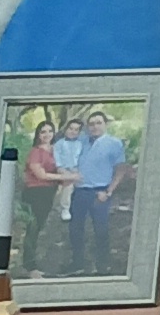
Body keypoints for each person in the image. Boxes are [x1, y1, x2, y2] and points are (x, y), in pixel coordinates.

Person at [69, 110, 132, 277]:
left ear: (105, 124)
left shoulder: (114, 143)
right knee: (75, 229)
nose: (95, 126)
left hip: (100, 192)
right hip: (80, 191)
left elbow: (120, 169)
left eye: (98, 123)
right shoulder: (81, 141)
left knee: (101, 230)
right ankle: (77, 264)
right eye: (91, 124)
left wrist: (109, 191)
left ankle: (103, 266)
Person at [15, 111, 70, 277]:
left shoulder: (56, 150)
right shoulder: (35, 152)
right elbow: (41, 175)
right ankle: (29, 266)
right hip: (35, 192)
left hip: (49, 193)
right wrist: (66, 177)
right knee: (33, 228)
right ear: (38, 135)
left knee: (40, 228)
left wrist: (66, 177)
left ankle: (34, 263)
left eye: (50, 131)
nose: (47, 135)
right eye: (43, 132)